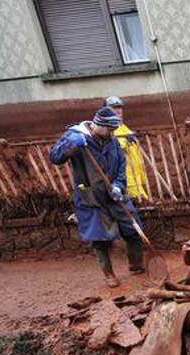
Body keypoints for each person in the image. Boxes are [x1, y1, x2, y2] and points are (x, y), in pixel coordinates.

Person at [50, 107, 143, 288]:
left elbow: (121, 167)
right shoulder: (76, 136)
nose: (112, 133)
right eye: (109, 129)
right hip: (90, 197)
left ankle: (136, 265)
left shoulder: (112, 141)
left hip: (115, 196)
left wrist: (118, 185)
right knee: (99, 239)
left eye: (114, 130)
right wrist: (72, 145)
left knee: (133, 230)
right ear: (97, 124)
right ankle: (109, 275)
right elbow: (55, 157)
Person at [102, 96, 148, 203]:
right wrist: (126, 140)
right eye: (114, 108)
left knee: (143, 203)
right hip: (127, 178)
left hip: (136, 177)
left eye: (119, 107)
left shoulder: (122, 126)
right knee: (140, 204)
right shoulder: (109, 128)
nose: (118, 110)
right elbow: (115, 146)